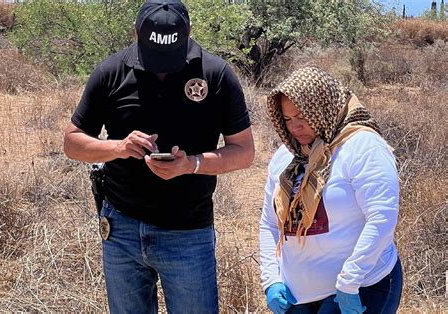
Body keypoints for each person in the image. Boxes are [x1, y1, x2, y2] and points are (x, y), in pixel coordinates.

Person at [63, 0, 254, 312]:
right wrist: (119, 147)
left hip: (188, 232)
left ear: (189, 32)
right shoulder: (111, 72)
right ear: (136, 32)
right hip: (121, 229)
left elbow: (244, 151)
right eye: (155, 57)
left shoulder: (216, 74)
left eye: (171, 57)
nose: (163, 67)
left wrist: (192, 164)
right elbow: (72, 142)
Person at [259, 66, 402, 314]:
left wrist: (349, 282)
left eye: (303, 116)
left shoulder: (362, 146)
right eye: (287, 119)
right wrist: (271, 279)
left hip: (360, 287)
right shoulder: (286, 158)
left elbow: (382, 218)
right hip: (297, 295)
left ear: (322, 107)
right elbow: (269, 224)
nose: (295, 127)